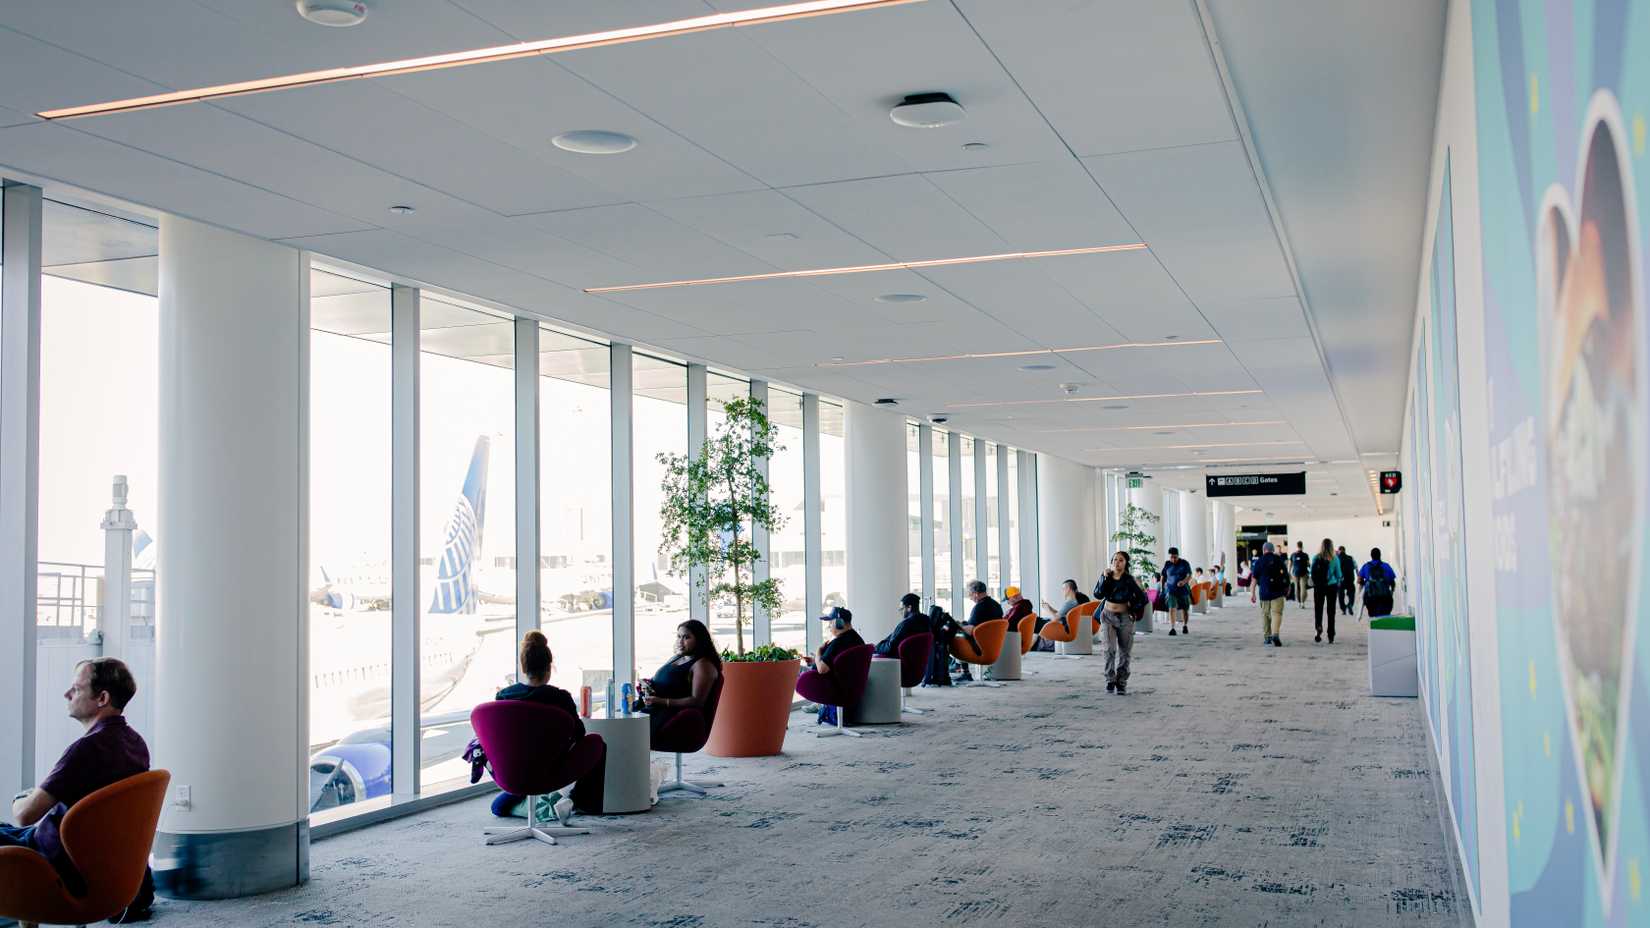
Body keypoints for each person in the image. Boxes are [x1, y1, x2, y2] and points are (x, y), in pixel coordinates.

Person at [3, 658, 153, 923]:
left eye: (76, 688)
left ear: (102, 698)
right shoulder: (136, 744)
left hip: (55, 861)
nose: (67, 694)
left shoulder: (84, 750)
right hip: (98, 865)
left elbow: (25, 814)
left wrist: (19, 798)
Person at [491, 630, 605, 822]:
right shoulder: (560, 698)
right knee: (598, 745)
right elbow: (580, 734)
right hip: (550, 770)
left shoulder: (504, 696)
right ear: (549, 668)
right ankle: (584, 803)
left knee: (498, 807)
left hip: (513, 771)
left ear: (523, 667)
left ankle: (531, 799)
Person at [641, 619, 724, 733]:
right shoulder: (679, 657)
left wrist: (660, 701)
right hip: (654, 709)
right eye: (679, 636)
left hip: (669, 716)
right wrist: (648, 685)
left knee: (621, 727)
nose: (680, 641)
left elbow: (697, 701)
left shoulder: (703, 665)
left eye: (686, 637)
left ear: (699, 640)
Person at [1094, 551, 1148, 694]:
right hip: (1107, 616)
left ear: (1125, 563)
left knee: (1125, 651)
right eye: (1115, 560)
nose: (1117, 563)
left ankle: (1121, 682)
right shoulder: (1106, 577)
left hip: (1125, 617)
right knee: (1108, 649)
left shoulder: (1129, 580)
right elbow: (1097, 594)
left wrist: (1132, 609)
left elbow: (1143, 599)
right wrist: (1103, 578)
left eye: (1121, 560)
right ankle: (1110, 680)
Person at [803, 607, 863, 723]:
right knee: (811, 666)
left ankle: (819, 705)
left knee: (800, 673)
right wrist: (814, 660)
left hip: (836, 689)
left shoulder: (838, 642)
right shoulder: (857, 639)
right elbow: (838, 662)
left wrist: (818, 652)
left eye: (830, 623)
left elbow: (822, 669)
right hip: (849, 690)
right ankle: (819, 704)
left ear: (839, 623)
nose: (829, 626)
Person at [954, 581, 1003, 682]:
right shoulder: (996, 605)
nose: (969, 597)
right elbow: (980, 625)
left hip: (979, 647)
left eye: (970, 594)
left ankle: (965, 673)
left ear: (976, 593)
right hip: (994, 646)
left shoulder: (979, 607)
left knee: (954, 636)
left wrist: (957, 626)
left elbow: (971, 629)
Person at [1251, 541, 1291, 646]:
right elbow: (1286, 577)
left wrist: (1252, 594)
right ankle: (1275, 634)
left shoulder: (1259, 561)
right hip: (1278, 592)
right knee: (1277, 613)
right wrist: (1287, 589)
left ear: (1264, 550)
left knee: (1265, 615)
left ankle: (1267, 637)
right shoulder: (1279, 560)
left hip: (1264, 592)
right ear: (1273, 550)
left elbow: (1254, 580)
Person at [875, 593, 931, 657]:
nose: (900, 612)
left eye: (901, 609)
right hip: (916, 662)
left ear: (909, 608)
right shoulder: (927, 621)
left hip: (898, 662)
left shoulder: (906, 624)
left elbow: (890, 648)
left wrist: (876, 647)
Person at [1310, 539, 1342, 643]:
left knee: (1318, 609)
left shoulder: (1316, 557)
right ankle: (1331, 634)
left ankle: (1318, 627)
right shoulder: (1335, 558)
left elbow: (1312, 573)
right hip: (1331, 586)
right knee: (1331, 611)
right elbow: (1339, 575)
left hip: (1319, 586)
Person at [1160, 546, 1193, 636]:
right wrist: (1162, 588)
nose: (1173, 559)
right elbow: (1163, 577)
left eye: (1175, 557)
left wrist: (1183, 581)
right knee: (1172, 608)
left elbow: (1189, 575)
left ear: (1178, 555)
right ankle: (1172, 628)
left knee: (1185, 609)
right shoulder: (1167, 564)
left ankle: (1185, 625)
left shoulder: (1184, 563)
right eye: (1171, 557)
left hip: (1183, 590)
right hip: (1171, 590)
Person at [1358, 548, 1398, 617]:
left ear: (1371, 556)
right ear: (1380, 555)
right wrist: (1391, 592)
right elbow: (1392, 582)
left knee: (1373, 617)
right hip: (1385, 597)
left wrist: (1362, 590)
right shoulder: (1386, 566)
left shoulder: (1366, 566)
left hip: (1370, 598)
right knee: (1385, 616)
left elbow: (1359, 580)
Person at [1335, 546, 1358, 615]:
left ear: (1339, 551)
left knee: (1341, 596)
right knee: (1351, 594)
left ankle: (1343, 609)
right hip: (1350, 579)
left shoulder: (1337, 558)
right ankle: (1350, 604)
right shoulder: (1351, 558)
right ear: (1345, 551)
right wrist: (1359, 576)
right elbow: (1356, 567)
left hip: (1341, 580)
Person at [1290, 541, 1311, 607]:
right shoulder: (1305, 555)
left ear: (1297, 546)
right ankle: (1302, 603)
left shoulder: (1293, 555)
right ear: (1302, 546)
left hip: (1295, 573)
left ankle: (1299, 602)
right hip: (1304, 573)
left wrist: (1289, 572)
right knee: (1303, 588)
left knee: (1296, 587)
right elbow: (1308, 564)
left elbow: (1290, 564)